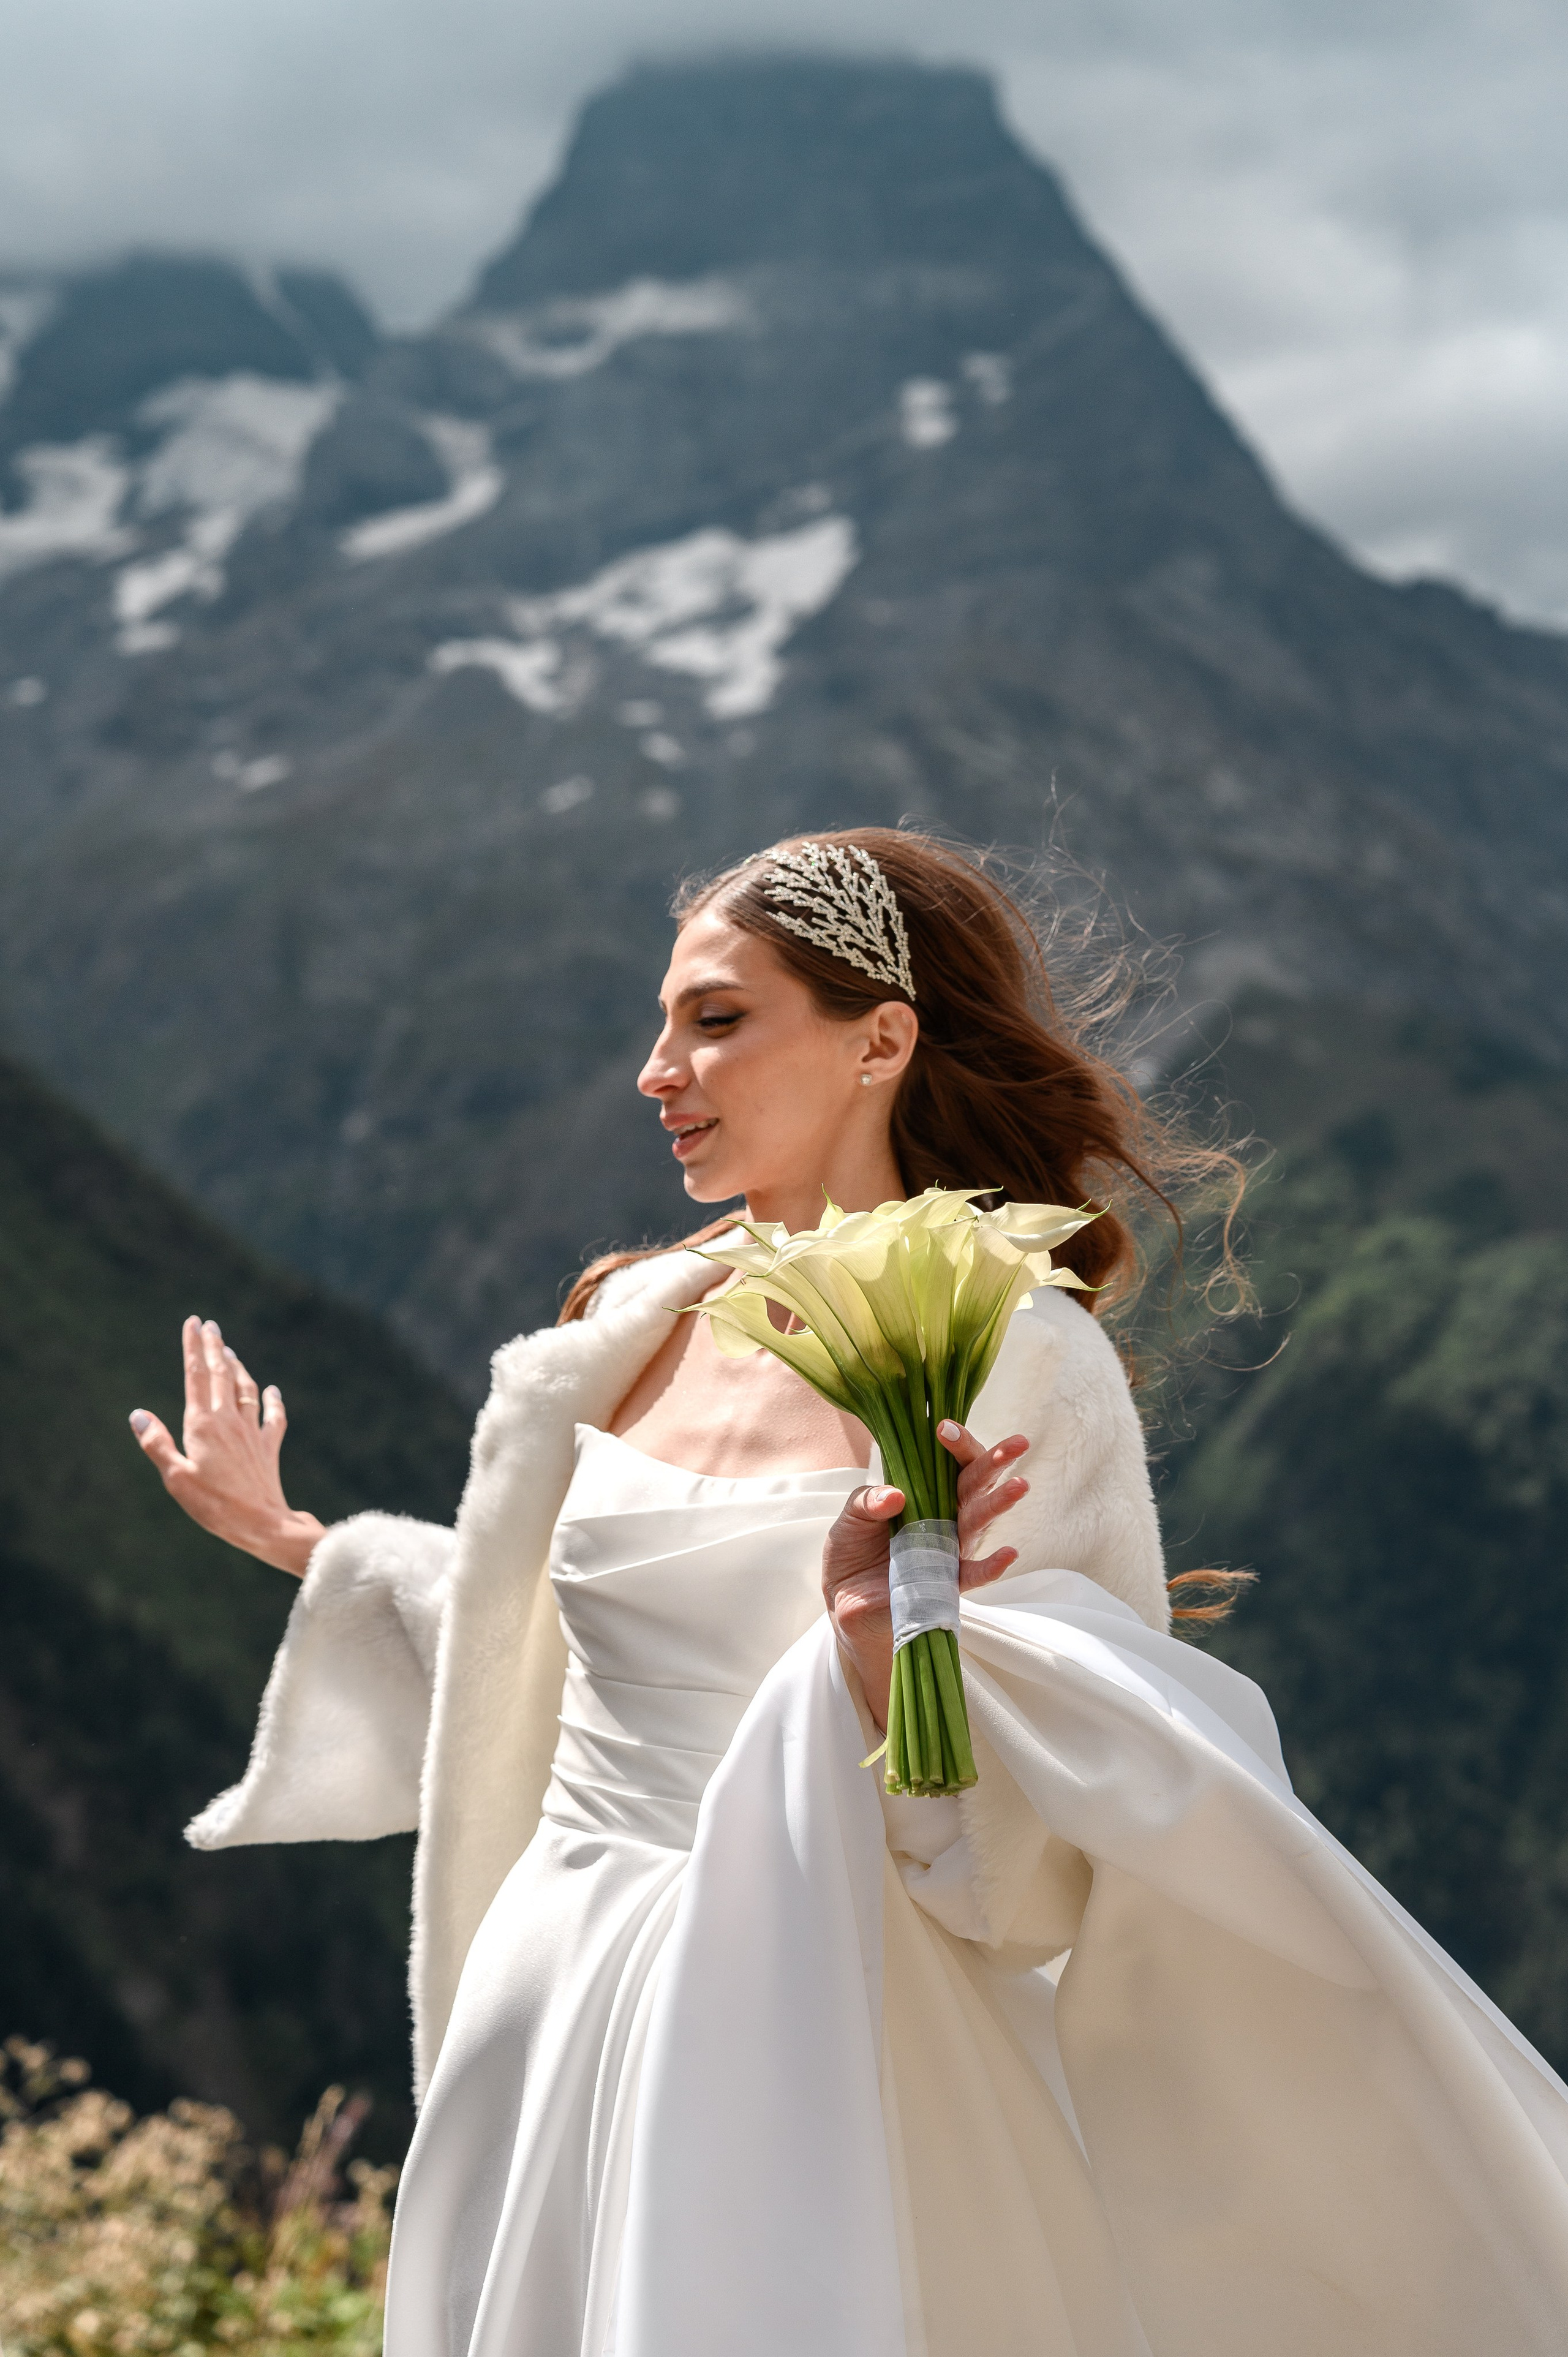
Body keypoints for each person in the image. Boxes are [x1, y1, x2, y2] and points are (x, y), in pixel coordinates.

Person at [131, 829, 1568, 2357]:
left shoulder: (1017, 1357)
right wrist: (309, 1542)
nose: (655, 1070)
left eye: (715, 1018)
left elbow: (1047, 1859)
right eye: (662, 1022)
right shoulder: (625, 1320)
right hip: (548, 2010)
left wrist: (881, 1662)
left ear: (880, 1039)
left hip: (827, 2036)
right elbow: (549, 1651)